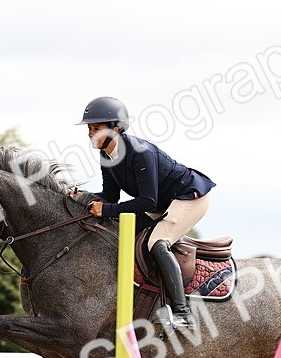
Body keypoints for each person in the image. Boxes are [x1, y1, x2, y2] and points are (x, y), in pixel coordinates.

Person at [76, 96, 215, 330]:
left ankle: (183, 313)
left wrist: (107, 210)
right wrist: (82, 198)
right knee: (115, 234)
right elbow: (110, 197)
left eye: (96, 128)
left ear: (116, 128)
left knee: (157, 243)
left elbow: (145, 200)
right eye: (90, 128)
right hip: (159, 204)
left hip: (188, 197)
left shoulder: (140, 152)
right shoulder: (105, 155)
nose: (91, 133)